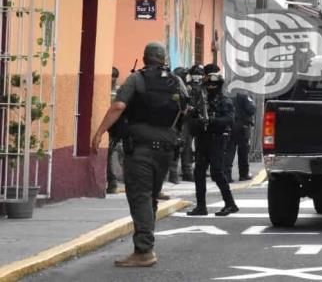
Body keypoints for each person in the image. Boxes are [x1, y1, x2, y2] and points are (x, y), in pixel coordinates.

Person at [91, 42, 188, 268]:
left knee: (140, 195)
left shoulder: (137, 79)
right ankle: (144, 245)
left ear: (145, 58)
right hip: (166, 148)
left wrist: (99, 132)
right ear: (164, 59)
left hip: (141, 147)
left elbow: (118, 106)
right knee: (151, 196)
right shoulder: (177, 81)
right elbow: (185, 109)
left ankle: (144, 250)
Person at [187, 64, 239, 217]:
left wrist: (212, 121)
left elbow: (229, 120)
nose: (210, 87)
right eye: (208, 84)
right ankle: (201, 206)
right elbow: (191, 121)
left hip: (217, 139)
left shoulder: (225, 101)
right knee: (199, 173)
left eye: (213, 84)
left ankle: (230, 204)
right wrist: (198, 121)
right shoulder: (201, 102)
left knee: (217, 172)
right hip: (202, 139)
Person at [225, 93, 256, 182]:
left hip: (231, 125)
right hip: (243, 126)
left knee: (229, 150)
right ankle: (243, 174)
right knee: (243, 151)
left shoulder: (228, 96)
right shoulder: (245, 96)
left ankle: (227, 175)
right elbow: (251, 109)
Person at [106, 67, 125, 194]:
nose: (113, 78)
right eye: (111, 76)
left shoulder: (120, 90)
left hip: (120, 127)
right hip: (109, 128)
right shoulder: (103, 89)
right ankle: (112, 182)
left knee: (124, 155)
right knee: (109, 155)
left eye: (115, 76)